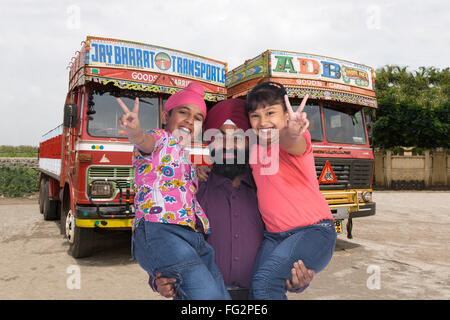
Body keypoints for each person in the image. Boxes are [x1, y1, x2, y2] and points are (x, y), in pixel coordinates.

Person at [151, 98, 315, 300]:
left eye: (237, 137)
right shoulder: (191, 190)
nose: (228, 145)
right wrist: (158, 279)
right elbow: (164, 240)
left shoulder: (268, 192)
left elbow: (290, 243)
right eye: (219, 137)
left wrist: (298, 278)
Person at [117, 82, 230, 300]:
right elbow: (145, 142)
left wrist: (197, 172)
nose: (190, 120)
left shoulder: (184, 156)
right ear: (165, 116)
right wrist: (135, 132)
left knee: (220, 294)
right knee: (207, 297)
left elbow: (174, 174)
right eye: (183, 112)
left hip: (193, 237)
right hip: (160, 231)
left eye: (198, 118)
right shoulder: (159, 138)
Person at [246, 81, 337, 300]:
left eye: (270, 113)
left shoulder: (296, 140)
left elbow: (289, 140)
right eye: (255, 115)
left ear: (287, 115)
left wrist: (293, 130)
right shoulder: (254, 150)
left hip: (313, 231)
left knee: (265, 284)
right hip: (274, 237)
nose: (263, 121)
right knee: (256, 290)